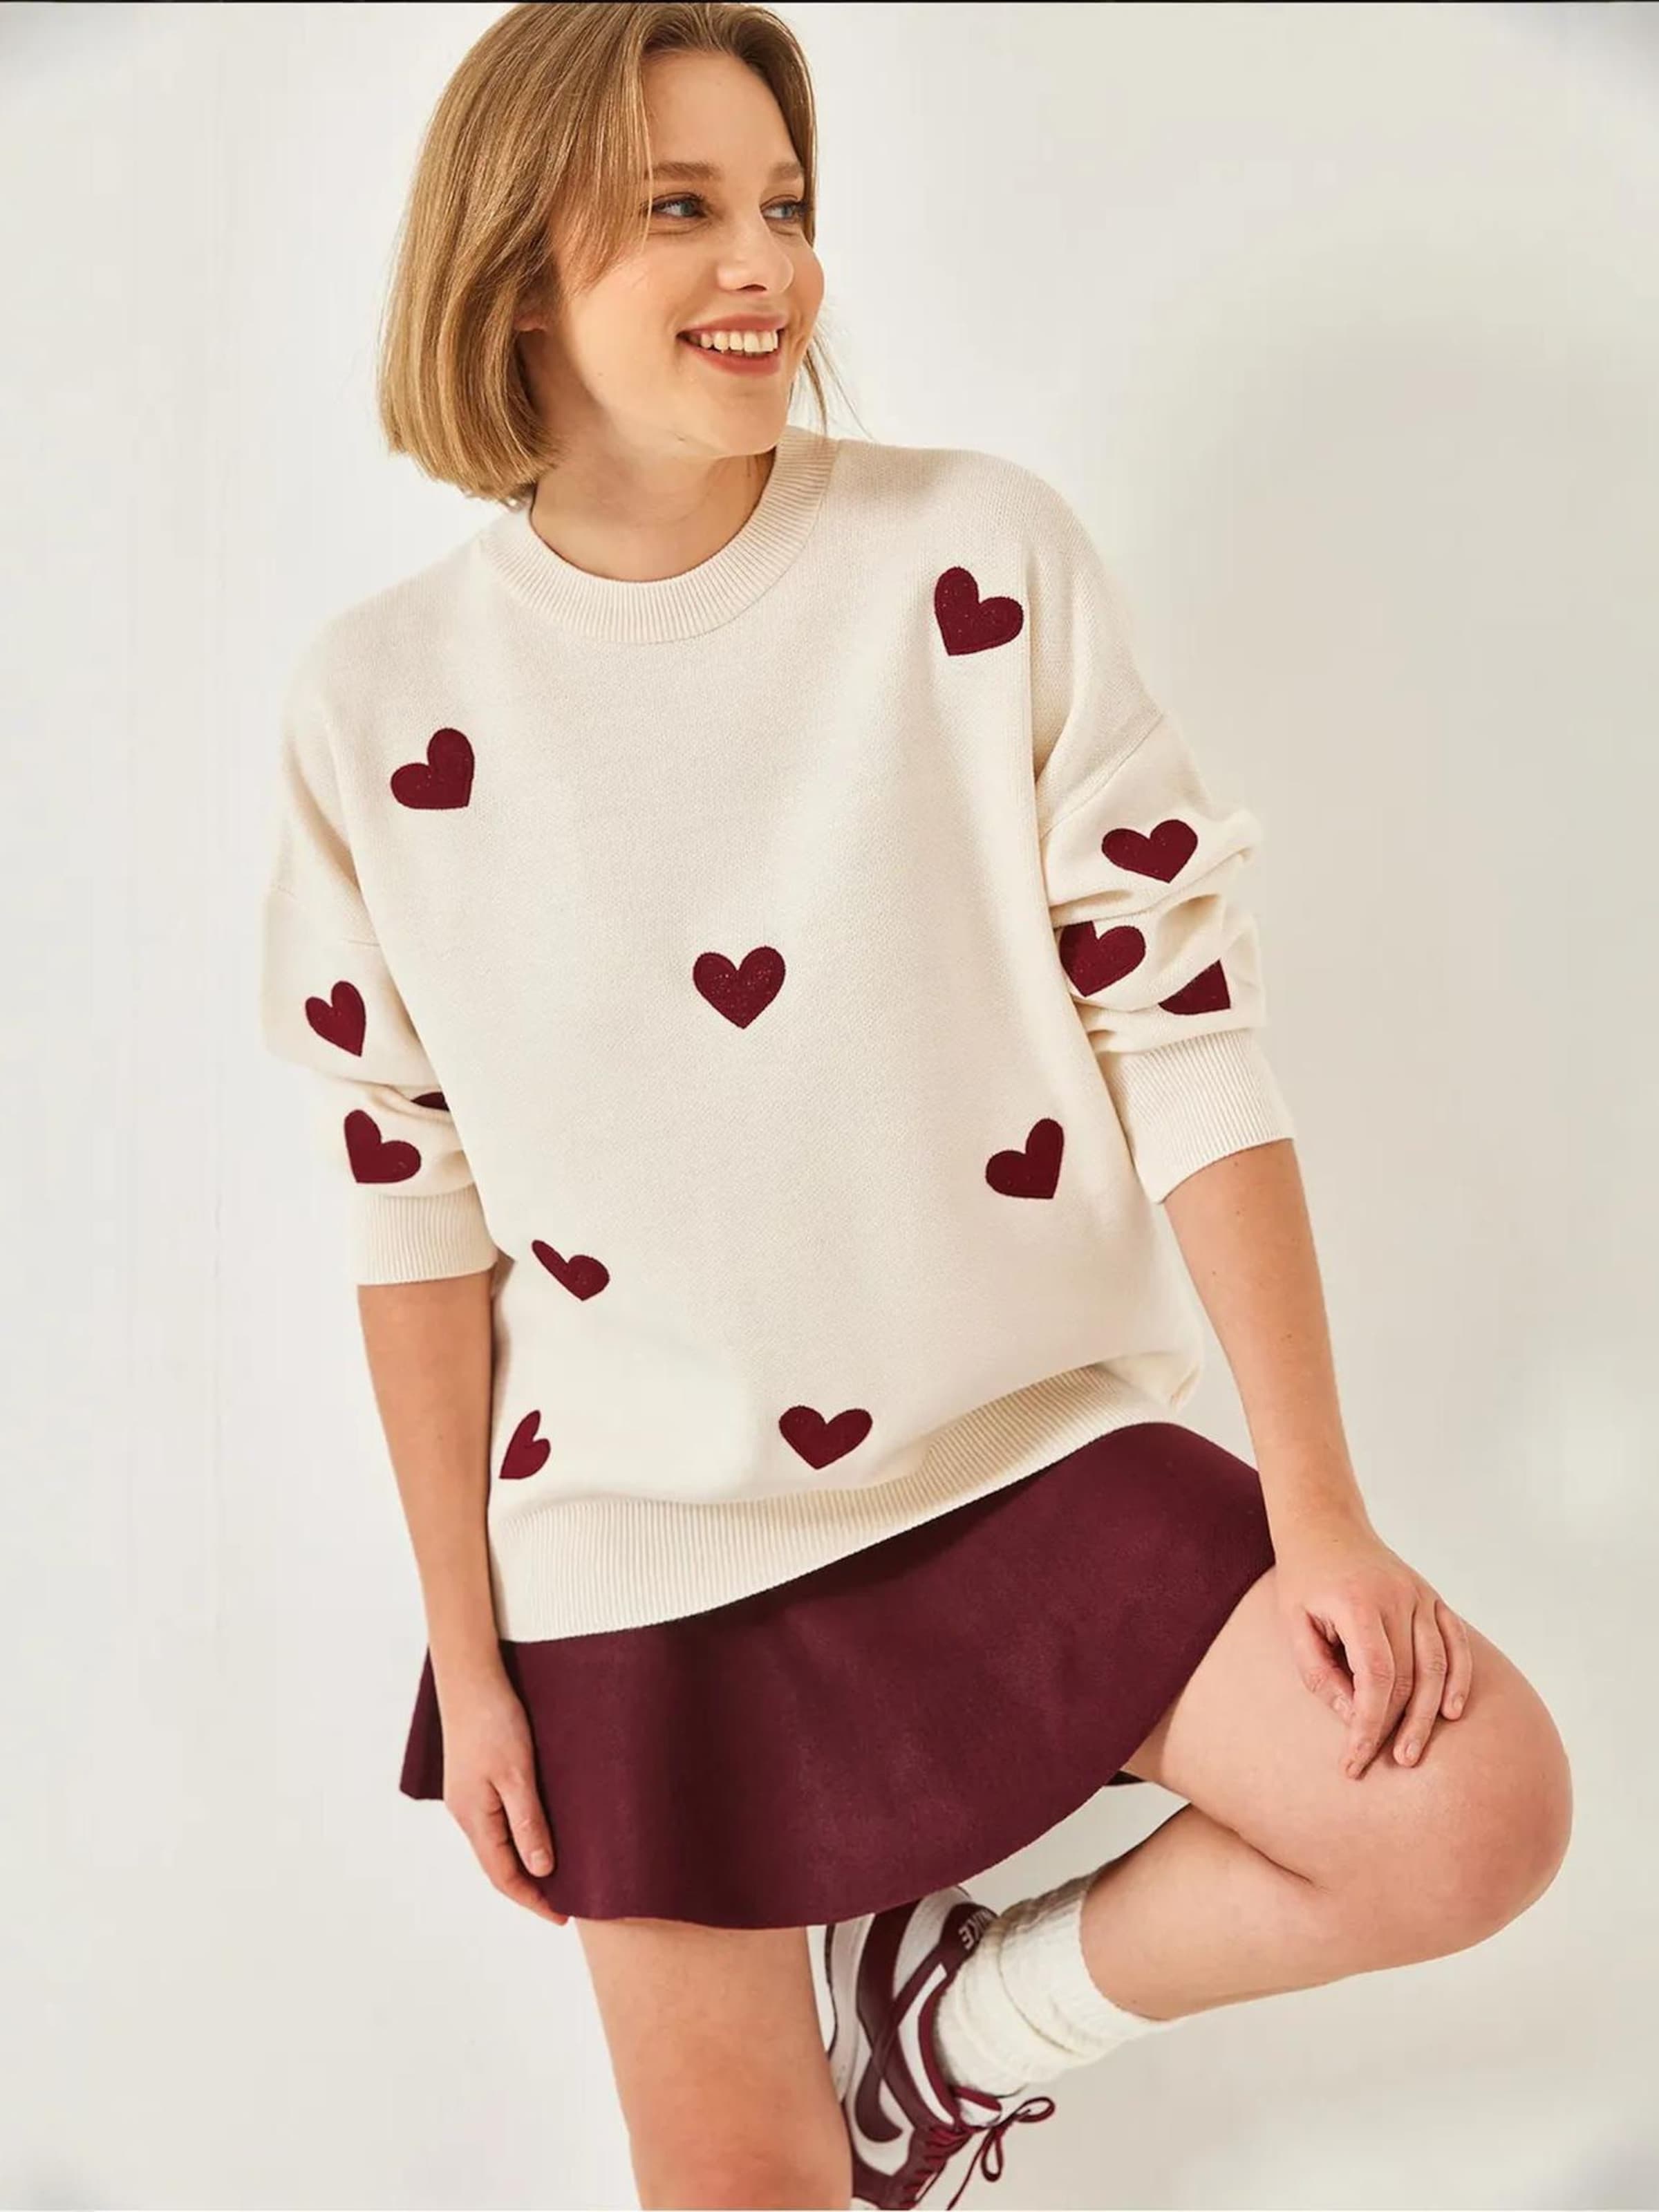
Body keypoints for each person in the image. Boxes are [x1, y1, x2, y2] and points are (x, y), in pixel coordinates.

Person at [256, 6, 1574, 2207]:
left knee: (1463, 1812)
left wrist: (1322, 1511)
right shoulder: (376, 708)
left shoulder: (975, 560)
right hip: (637, 1550)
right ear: (514, 269)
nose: (763, 262)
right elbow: (410, 1205)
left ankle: (947, 2027)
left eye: (784, 204)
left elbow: (1184, 1031)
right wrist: (469, 1669)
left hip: (1017, 1447)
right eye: (682, 208)